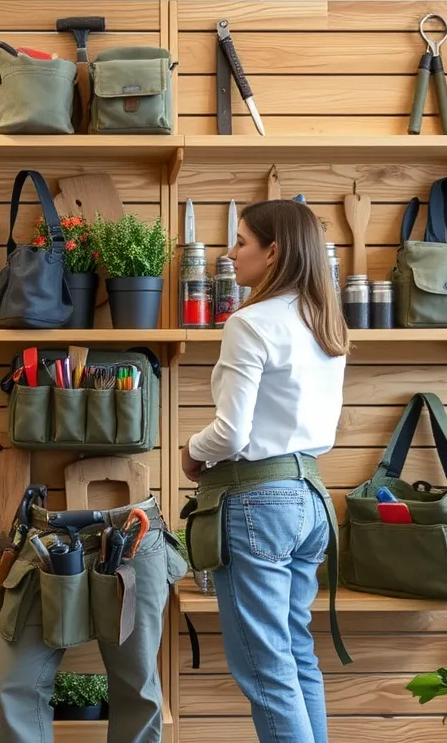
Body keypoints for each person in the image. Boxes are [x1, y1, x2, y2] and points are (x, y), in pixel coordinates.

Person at [181, 199, 350, 743]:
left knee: (264, 668)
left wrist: (191, 450)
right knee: (297, 654)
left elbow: (230, 433)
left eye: (241, 242)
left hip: (258, 503)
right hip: (310, 498)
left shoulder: (250, 322)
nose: (230, 253)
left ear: (273, 252)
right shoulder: (325, 321)